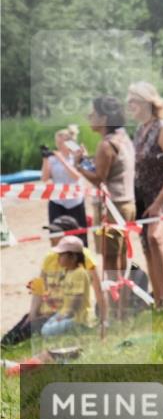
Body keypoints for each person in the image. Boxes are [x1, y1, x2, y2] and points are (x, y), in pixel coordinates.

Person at [2, 215, 104, 347]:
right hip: (50, 311)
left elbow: (97, 290)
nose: (51, 237)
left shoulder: (84, 258)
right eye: (51, 232)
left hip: (65, 313)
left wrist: (104, 321)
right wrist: (33, 313)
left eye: (55, 233)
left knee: (31, 329)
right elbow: (39, 288)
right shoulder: (50, 257)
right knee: (19, 328)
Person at [127, 82, 163, 309]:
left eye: (132, 101)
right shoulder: (139, 130)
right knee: (147, 246)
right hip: (143, 196)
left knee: (155, 238)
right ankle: (158, 299)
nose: (129, 106)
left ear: (145, 102)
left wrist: (158, 203)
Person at [74, 96, 136, 281]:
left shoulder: (106, 144)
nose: (89, 117)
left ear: (104, 118)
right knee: (121, 254)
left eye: (93, 114)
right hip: (126, 202)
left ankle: (113, 294)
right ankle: (122, 294)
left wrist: (78, 166)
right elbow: (110, 170)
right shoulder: (123, 138)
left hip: (111, 207)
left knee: (110, 258)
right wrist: (88, 162)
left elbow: (99, 178)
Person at [40, 125, 89, 246]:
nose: (59, 145)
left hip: (75, 200)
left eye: (61, 142)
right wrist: (45, 158)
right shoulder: (52, 159)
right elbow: (44, 179)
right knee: (56, 234)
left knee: (79, 234)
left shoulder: (76, 157)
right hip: (57, 201)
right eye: (57, 142)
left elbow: (76, 176)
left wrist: (61, 159)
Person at [40, 236, 94, 337]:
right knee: (47, 325)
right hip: (65, 312)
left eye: (61, 255)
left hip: (77, 318)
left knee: (46, 331)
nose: (58, 258)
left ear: (73, 257)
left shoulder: (79, 273)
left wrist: (66, 315)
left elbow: (77, 299)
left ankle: (81, 328)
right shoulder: (68, 272)